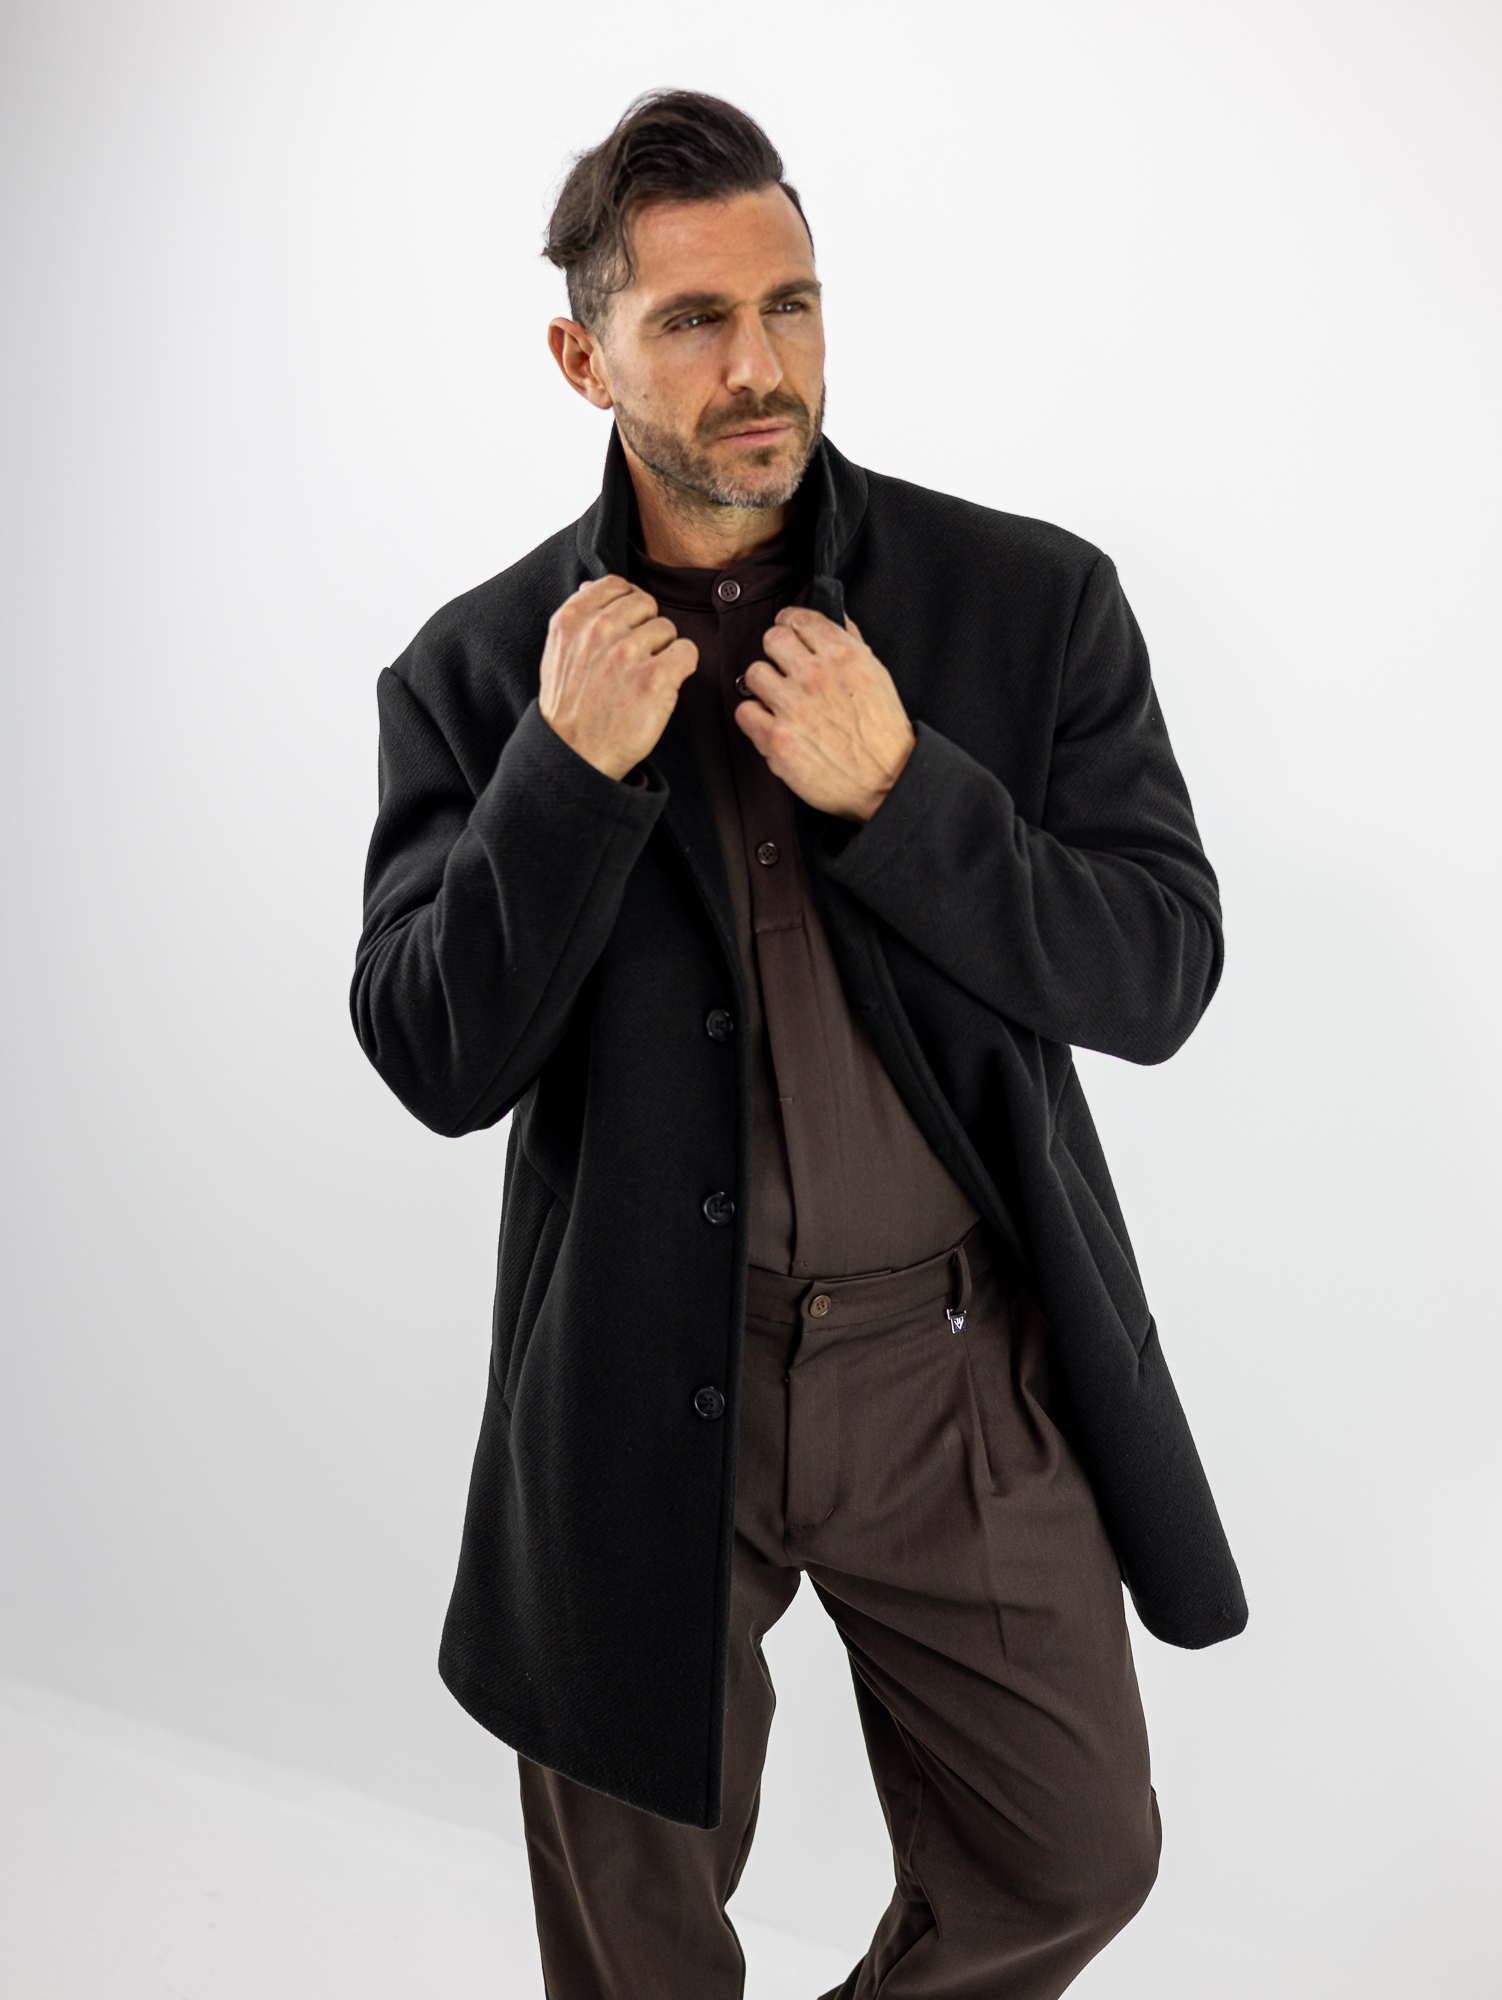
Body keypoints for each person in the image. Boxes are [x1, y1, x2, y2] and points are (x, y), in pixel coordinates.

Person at [351, 88, 1246, 2000]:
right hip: (636, 1376)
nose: (757, 366)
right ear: (583, 357)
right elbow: (433, 1058)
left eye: (789, 305)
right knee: (637, 1939)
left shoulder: (1027, 603)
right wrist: (559, 776)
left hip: (959, 1374)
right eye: (692, 320)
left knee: (1074, 1855)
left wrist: (907, 792)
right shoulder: (479, 671)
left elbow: (1161, 971)